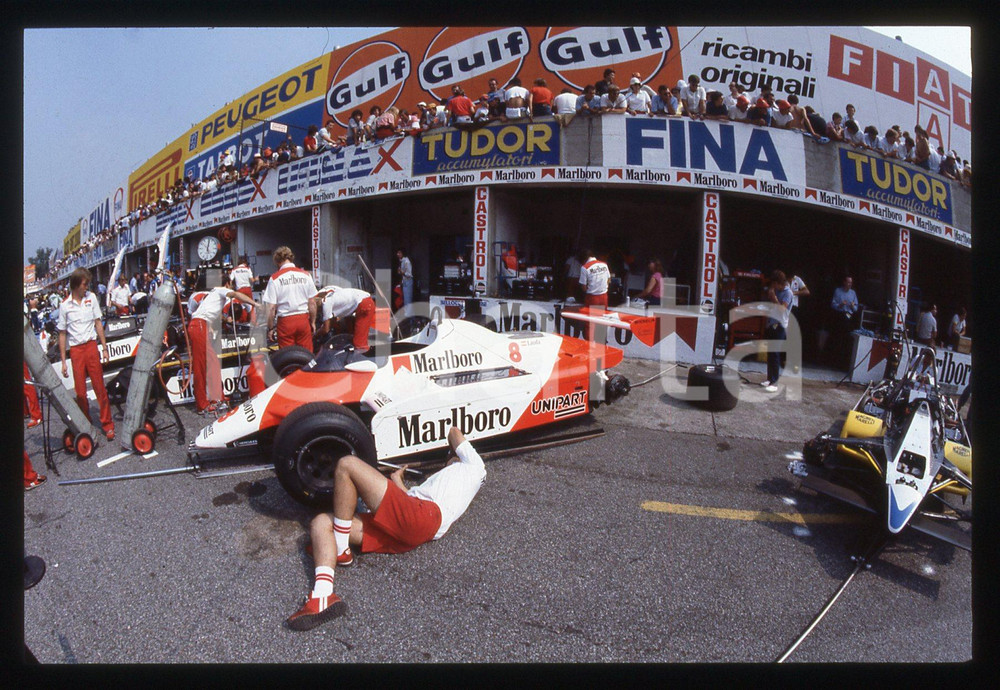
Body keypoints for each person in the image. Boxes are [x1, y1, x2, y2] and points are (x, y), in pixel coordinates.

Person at [286, 426, 486, 631]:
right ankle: (323, 595)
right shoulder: (450, 486)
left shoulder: (476, 465)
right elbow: (409, 504)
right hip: (416, 525)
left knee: (347, 465)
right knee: (321, 523)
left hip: (424, 516)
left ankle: (341, 550)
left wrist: (453, 451)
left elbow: (454, 432)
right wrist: (397, 480)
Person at [57, 267, 115, 440]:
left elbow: (98, 323)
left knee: (99, 387)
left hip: (91, 347)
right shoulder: (64, 306)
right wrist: (63, 361)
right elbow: (62, 334)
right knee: (81, 393)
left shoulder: (92, 298)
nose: (87, 287)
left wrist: (104, 348)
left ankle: (108, 424)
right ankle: (86, 423)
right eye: (84, 284)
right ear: (75, 285)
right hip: (76, 351)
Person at [188, 273, 258, 415]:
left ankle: (217, 397)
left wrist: (224, 321)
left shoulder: (212, 295)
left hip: (201, 326)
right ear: (227, 284)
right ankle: (202, 404)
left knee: (213, 362)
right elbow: (237, 295)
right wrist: (255, 303)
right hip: (199, 327)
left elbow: (210, 313)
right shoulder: (221, 290)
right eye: (230, 285)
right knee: (200, 366)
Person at [262, 246, 318, 350]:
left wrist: (270, 328)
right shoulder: (306, 275)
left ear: (277, 262)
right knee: (307, 355)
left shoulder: (274, 278)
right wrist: (313, 322)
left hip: (285, 322)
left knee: (288, 357)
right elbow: (312, 303)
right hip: (303, 320)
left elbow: (271, 308)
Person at [315, 285, 376, 351]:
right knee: (348, 335)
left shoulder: (326, 303)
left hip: (364, 304)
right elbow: (334, 320)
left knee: (359, 343)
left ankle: (363, 357)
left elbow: (326, 329)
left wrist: (315, 335)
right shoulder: (327, 293)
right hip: (359, 302)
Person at [761, 270, 793, 393]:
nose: (773, 287)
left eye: (774, 284)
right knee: (770, 353)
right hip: (772, 323)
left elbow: (782, 310)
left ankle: (775, 382)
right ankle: (770, 379)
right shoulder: (777, 290)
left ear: (778, 282)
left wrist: (774, 299)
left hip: (780, 325)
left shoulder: (787, 293)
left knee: (775, 354)